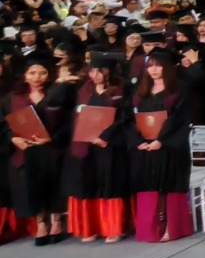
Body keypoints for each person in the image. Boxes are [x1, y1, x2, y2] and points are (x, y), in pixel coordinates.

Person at [63, 52, 131, 242]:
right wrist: (88, 135)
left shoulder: (121, 90)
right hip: (87, 144)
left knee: (110, 184)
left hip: (110, 144)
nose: (96, 75)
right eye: (92, 71)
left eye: (100, 71)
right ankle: (91, 227)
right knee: (89, 183)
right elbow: (77, 116)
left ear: (110, 71)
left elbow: (125, 117)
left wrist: (105, 137)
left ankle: (114, 228)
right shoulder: (84, 90)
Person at [130, 49, 195, 242]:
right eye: (150, 66)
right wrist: (138, 141)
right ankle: (151, 228)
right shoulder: (141, 91)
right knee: (149, 186)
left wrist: (161, 140)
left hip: (170, 147)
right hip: (145, 148)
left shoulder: (180, 89)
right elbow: (129, 119)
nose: (154, 70)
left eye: (158, 66)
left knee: (169, 185)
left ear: (167, 67)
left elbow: (179, 119)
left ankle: (170, 228)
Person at [8, 55, 68, 245]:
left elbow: (70, 122)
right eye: (32, 73)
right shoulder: (13, 98)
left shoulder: (58, 94)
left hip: (52, 148)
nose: (37, 77)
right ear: (25, 75)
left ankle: (56, 221)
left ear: (49, 75)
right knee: (32, 185)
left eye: (42, 72)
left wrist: (52, 138)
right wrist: (13, 138)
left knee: (54, 183)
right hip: (27, 150)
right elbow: (4, 124)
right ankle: (41, 223)